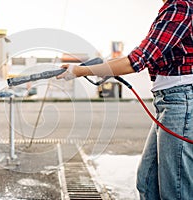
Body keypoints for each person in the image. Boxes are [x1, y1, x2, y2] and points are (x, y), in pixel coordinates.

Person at [57, 0, 193, 199]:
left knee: (176, 190)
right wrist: (89, 68)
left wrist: (80, 71)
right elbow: (135, 57)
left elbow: (136, 60)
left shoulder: (180, 7)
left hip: (181, 102)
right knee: (147, 181)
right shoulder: (170, 9)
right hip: (168, 102)